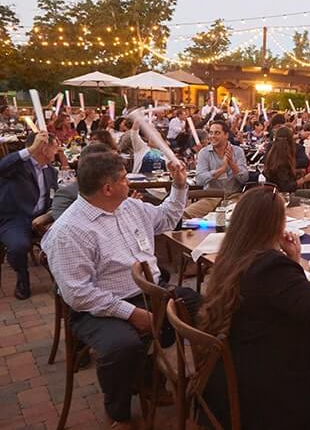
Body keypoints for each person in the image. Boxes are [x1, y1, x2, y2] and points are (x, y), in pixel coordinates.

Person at [43, 152, 199, 429]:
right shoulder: (70, 231)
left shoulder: (129, 207)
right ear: (107, 188)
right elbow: (78, 294)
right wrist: (130, 313)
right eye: (125, 179)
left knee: (197, 304)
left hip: (149, 292)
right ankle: (118, 411)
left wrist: (179, 185)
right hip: (98, 308)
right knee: (122, 346)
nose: (130, 183)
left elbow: (166, 218)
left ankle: (153, 376)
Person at [200, 188, 310, 429]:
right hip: (264, 397)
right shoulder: (269, 266)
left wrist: (293, 260)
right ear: (273, 225)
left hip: (230, 376)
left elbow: (288, 299)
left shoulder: (234, 256)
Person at [0, 132, 59, 299]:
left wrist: (48, 216)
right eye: (55, 147)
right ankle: (22, 276)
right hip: (16, 218)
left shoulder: (51, 171)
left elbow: (54, 196)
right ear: (43, 148)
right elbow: (3, 166)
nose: (58, 150)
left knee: (67, 236)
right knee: (18, 246)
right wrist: (31, 149)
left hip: (41, 218)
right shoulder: (18, 166)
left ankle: (63, 279)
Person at [189, 120, 249, 218]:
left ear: (226, 135)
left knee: (238, 217)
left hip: (233, 197)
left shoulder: (237, 151)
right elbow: (199, 179)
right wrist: (221, 170)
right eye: (211, 133)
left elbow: (244, 178)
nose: (212, 136)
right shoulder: (204, 153)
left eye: (217, 133)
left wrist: (232, 164)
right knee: (184, 215)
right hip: (210, 197)